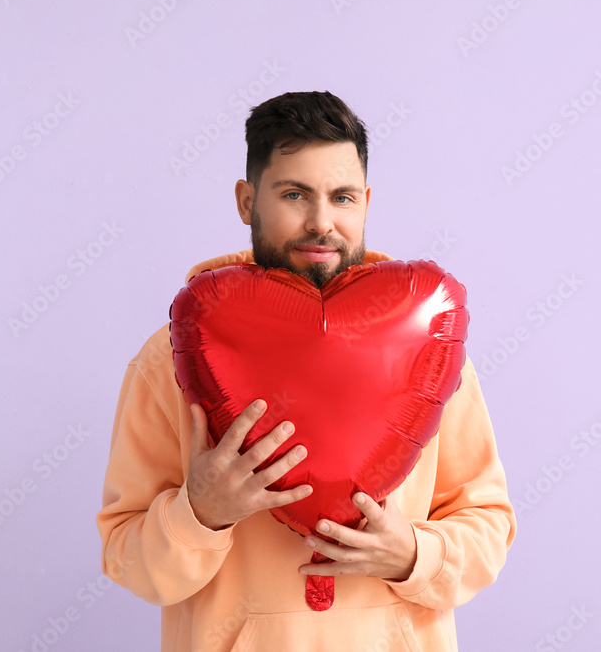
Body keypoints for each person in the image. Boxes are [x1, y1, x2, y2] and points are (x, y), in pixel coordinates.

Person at [96, 91, 516, 651]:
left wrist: (414, 555)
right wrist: (199, 514)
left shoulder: (431, 348)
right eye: (294, 194)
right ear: (248, 202)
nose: (322, 222)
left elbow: (486, 521)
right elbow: (129, 561)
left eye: (342, 197)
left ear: (366, 202)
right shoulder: (168, 359)